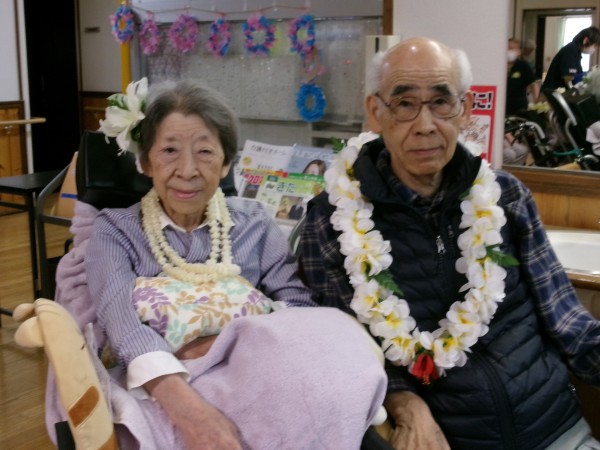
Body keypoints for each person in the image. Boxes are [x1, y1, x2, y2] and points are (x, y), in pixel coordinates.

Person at [47, 78, 388, 449]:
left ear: (227, 163)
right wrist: (193, 412)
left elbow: (297, 306)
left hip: (257, 371)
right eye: (169, 151)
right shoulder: (115, 230)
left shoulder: (253, 222)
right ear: (145, 162)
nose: (188, 170)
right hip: (163, 384)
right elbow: (121, 324)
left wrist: (226, 342)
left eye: (205, 152)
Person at [299, 36, 600, 450]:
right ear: (376, 111)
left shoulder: (506, 197)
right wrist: (404, 401)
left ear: (465, 108)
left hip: (557, 432)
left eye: (441, 102)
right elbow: (341, 351)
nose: (425, 125)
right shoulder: (331, 220)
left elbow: (569, 324)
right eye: (404, 103)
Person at [541, 26, 600, 91]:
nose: (595, 50)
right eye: (595, 46)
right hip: (551, 93)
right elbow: (568, 79)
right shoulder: (571, 50)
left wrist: (590, 73)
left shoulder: (576, 52)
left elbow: (576, 76)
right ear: (586, 41)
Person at [506, 38, 539, 116]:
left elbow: (533, 85)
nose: (509, 51)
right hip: (501, 106)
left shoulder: (523, 66)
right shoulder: (498, 65)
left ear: (519, 52)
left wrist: (536, 102)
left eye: (512, 49)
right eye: (508, 48)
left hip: (519, 107)